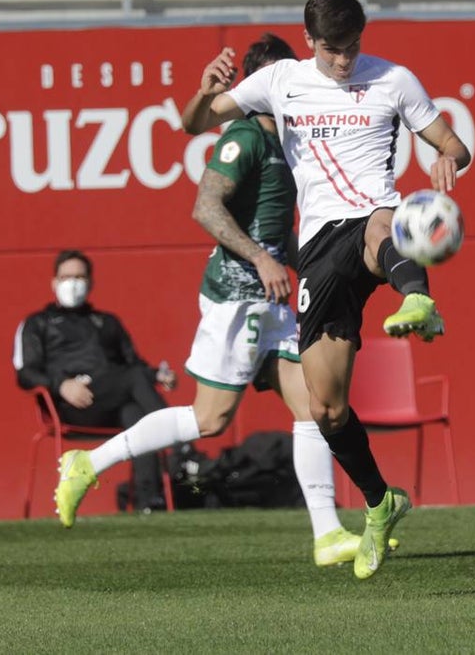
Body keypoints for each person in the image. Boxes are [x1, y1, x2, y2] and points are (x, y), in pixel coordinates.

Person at [53, 33, 393, 567]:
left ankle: (327, 534)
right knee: (209, 419)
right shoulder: (245, 137)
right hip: (238, 298)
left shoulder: (291, 138)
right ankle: (87, 463)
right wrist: (261, 259)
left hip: (275, 298)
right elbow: (205, 206)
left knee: (311, 406)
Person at [179, 0, 472, 580]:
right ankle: (380, 502)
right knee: (325, 407)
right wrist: (204, 91)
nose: (345, 59)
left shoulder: (392, 79)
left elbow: (452, 142)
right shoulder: (279, 80)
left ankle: (418, 298)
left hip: (370, 220)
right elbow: (193, 125)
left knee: (381, 225)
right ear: (310, 40)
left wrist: (448, 158)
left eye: (354, 46)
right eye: (334, 49)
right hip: (315, 251)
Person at [14, 250, 178, 513]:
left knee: (136, 414)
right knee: (135, 382)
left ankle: (149, 502)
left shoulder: (107, 322)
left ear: (90, 283)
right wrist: (61, 384)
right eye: (67, 277)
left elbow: (133, 365)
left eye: (79, 277)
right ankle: (182, 447)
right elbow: (25, 373)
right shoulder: (37, 323)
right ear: (54, 282)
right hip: (69, 407)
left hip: (111, 405)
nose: (73, 283)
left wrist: (157, 375)